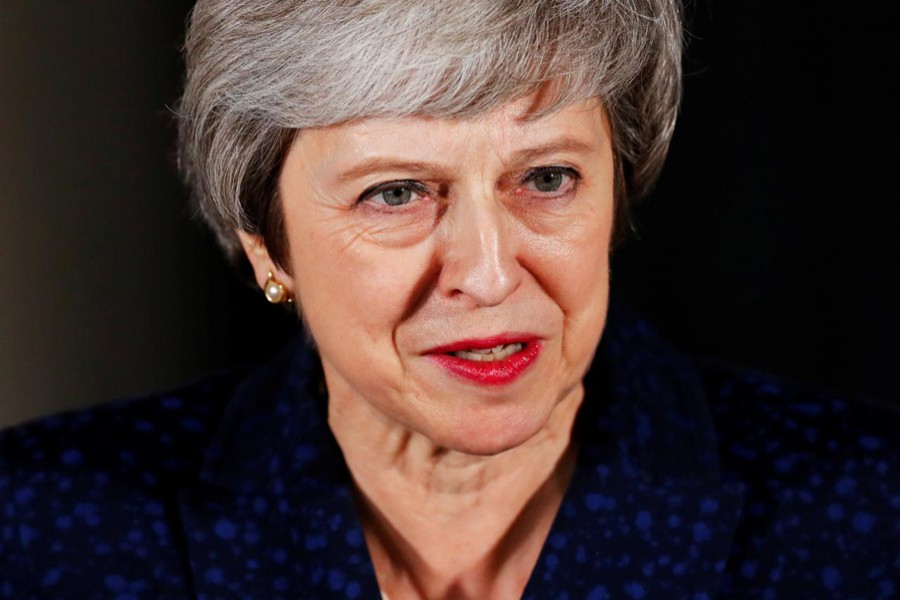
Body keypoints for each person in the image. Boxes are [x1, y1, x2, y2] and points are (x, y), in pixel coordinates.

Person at [1, 1, 897, 598]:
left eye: (546, 177)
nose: (491, 272)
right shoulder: (38, 528)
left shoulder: (868, 508)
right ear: (266, 242)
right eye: (395, 193)